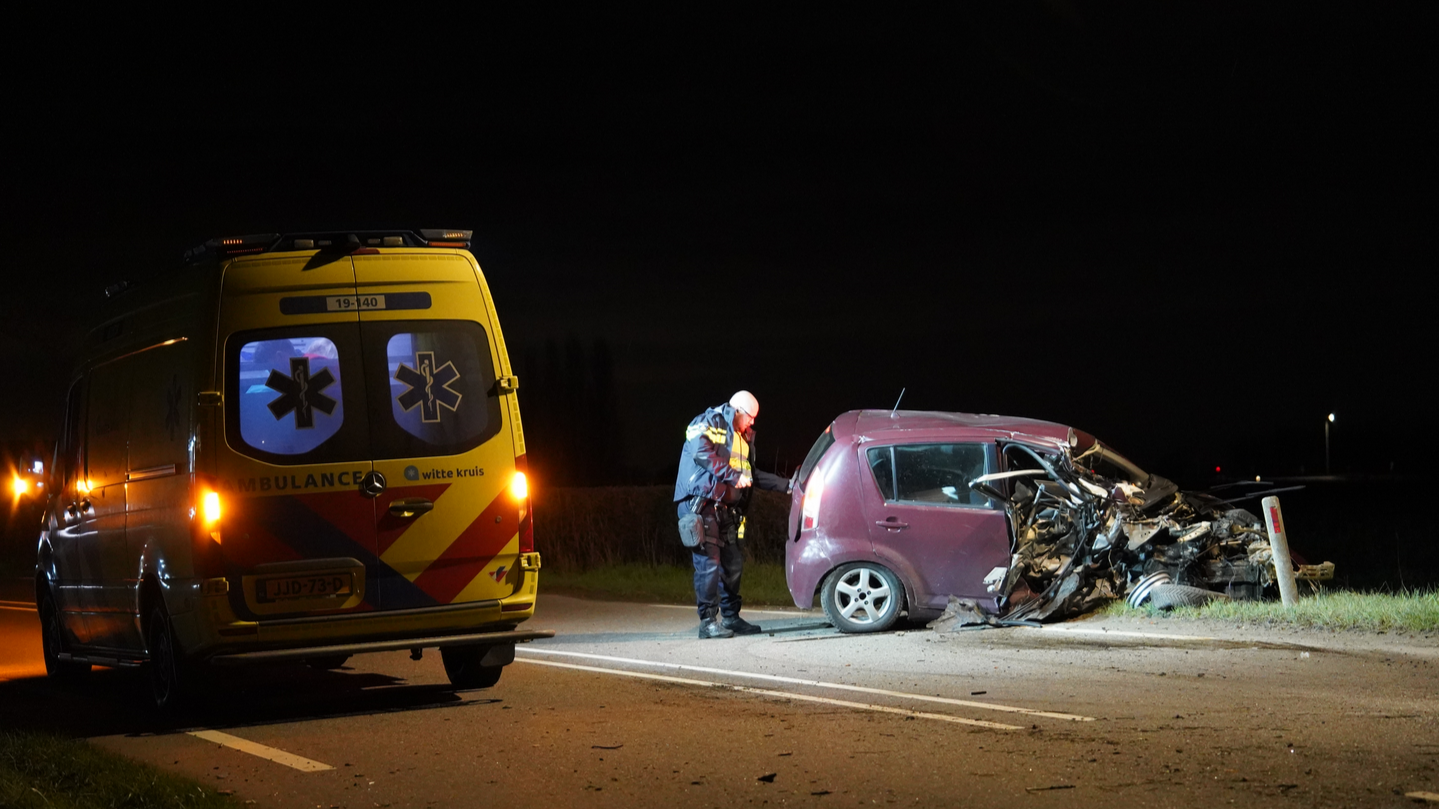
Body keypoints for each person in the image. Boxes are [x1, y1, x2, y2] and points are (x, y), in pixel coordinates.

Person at [674, 390, 790, 639]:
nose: (752, 422)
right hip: (701, 503)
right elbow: (702, 454)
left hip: (725, 510)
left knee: (733, 563)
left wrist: (787, 485)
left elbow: (750, 475)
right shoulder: (707, 422)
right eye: (750, 417)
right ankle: (707, 622)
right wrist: (734, 476)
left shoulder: (742, 438)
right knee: (709, 564)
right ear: (738, 411)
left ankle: (731, 617)